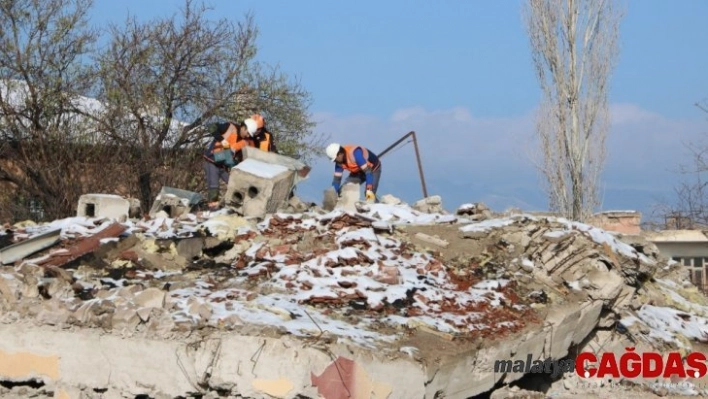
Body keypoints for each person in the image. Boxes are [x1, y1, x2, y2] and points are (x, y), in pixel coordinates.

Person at [202, 120, 257, 208]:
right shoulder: (229, 127)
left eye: (249, 135)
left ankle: (235, 206)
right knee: (214, 187)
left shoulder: (243, 141)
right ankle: (212, 209)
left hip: (223, 165)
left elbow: (237, 156)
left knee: (234, 183)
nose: (247, 136)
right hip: (212, 161)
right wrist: (222, 140)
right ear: (243, 127)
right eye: (247, 133)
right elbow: (211, 126)